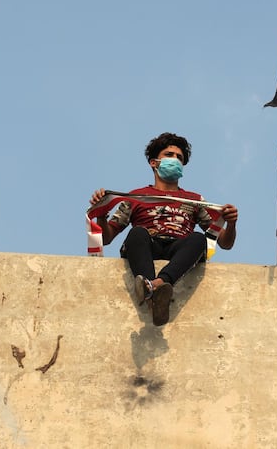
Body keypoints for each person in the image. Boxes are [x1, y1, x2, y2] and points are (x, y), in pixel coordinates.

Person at [90, 132, 238, 326]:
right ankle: (152, 288)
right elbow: (107, 238)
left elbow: (225, 243)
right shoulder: (136, 196)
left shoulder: (194, 200)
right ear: (154, 162)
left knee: (198, 239)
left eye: (180, 158)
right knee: (137, 233)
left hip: (178, 248)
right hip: (148, 246)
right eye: (169, 155)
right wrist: (102, 212)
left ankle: (156, 285)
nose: (175, 160)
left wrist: (231, 222)